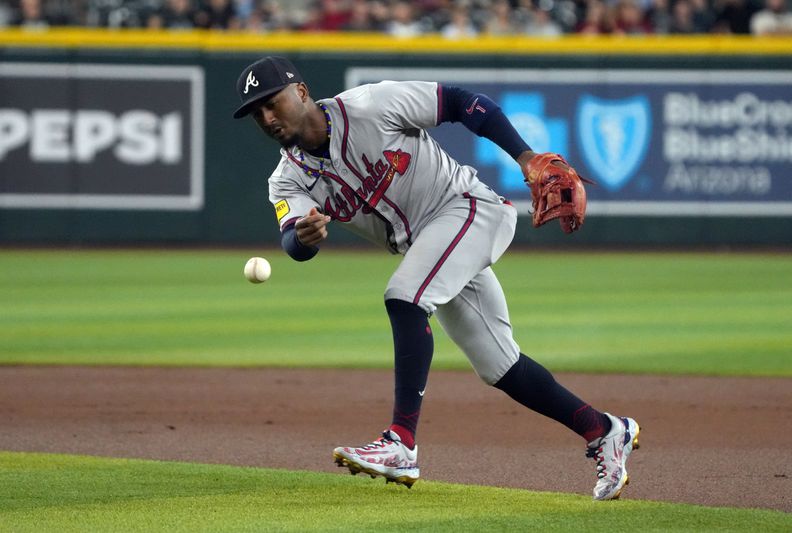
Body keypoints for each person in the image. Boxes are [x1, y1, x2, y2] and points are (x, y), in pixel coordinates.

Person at [232, 56, 641, 501]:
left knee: (404, 297)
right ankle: (604, 429)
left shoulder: (372, 104)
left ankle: (401, 443)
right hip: (430, 247)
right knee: (502, 368)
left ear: (302, 92)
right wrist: (304, 239)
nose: (268, 117)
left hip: (467, 209)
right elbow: (293, 242)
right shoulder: (287, 179)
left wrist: (525, 157)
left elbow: (463, 103)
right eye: (257, 113)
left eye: (272, 103)